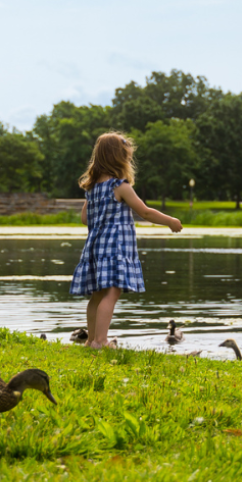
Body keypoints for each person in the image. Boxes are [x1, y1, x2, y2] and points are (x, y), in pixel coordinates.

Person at [68, 132, 182, 347]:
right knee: (112, 292)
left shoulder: (91, 188)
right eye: (127, 157)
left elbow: (85, 218)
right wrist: (170, 221)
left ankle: (91, 340)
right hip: (116, 246)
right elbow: (145, 212)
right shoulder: (120, 186)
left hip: (95, 247)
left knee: (97, 295)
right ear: (118, 159)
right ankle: (101, 341)